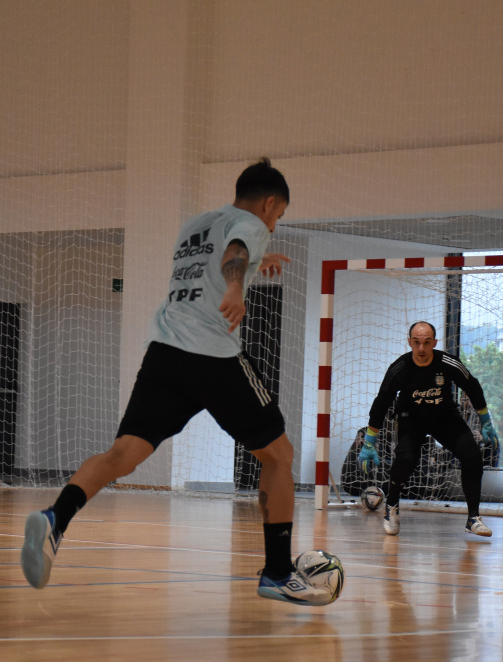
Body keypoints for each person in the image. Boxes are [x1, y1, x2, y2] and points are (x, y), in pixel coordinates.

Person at [21, 158, 337, 605]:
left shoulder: (195, 224)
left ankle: (57, 517)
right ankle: (278, 573)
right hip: (214, 357)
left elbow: (225, 253)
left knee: (122, 454)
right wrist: (235, 285)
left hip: (164, 356)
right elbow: (234, 254)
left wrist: (255, 264)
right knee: (279, 456)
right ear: (269, 203)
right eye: (278, 216)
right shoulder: (251, 223)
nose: (274, 223)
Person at [358, 321, 498, 537]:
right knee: (405, 460)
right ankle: (392, 508)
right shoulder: (400, 368)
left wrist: (486, 420)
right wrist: (370, 441)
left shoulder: (449, 363)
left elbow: (473, 386)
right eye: (416, 343)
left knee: (471, 455)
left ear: (434, 342)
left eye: (426, 342)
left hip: (445, 417)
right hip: (411, 419)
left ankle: (473, 518)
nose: (421, 349)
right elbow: (381, 402)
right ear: (409, 342)